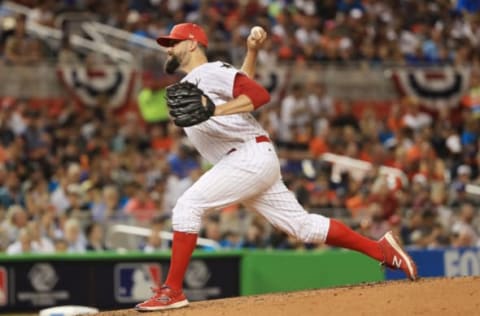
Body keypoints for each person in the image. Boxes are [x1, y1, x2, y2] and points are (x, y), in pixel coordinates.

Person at [135, 22, 418, 312]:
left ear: (192, 44)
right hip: (250, 158)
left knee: (187, 206)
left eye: (173, 42)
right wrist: (252, 52)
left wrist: (215, 110)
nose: (167, 48)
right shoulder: (204, 77)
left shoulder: (206, 73)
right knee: (303, 227)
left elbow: (259, 95)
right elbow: (242, 82)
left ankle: (173, 290)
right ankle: (380, 250)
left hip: (247, 157)